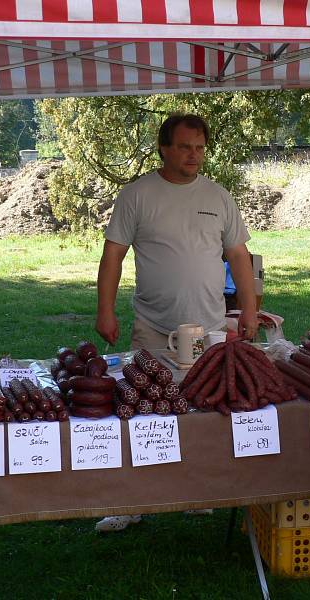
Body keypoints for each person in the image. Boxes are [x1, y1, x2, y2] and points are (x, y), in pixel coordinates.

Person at [93, 113, 259, 531]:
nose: (193, 155)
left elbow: (238, 256)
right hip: (153, 326)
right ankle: (133, 502)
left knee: (205, 410)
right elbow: (114, 254)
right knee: (144, 411)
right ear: (164, 148)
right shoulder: (136, 195)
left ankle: (199, 492)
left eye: (200, 147)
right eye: (185, 147)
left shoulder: (219, 197)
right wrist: (105, 310)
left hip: (209, 329)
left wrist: (251, 308)